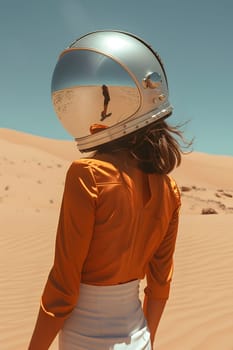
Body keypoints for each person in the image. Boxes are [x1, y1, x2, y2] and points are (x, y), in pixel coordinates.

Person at [28, 30, 190, 350]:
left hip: (86, 339)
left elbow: (63, 286)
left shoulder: (88, 174)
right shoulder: (169, 189)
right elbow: (159, 284)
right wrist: (148, 341)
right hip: (139, 336)